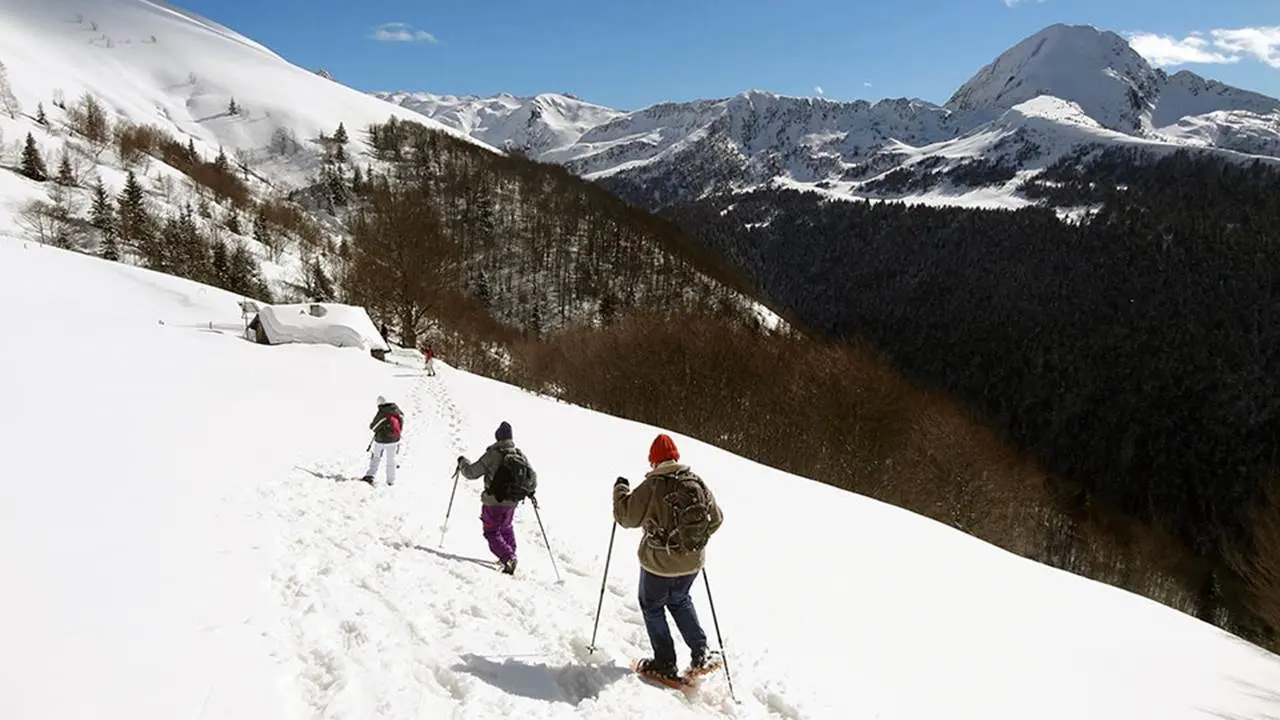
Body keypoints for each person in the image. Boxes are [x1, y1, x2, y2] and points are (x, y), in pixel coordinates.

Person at [614, 433, 724, 682]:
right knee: (680, 600)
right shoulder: (696, 482)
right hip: (692, 563)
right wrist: (691, 541)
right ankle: (701, 652)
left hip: (659, 564)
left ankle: (665, 662)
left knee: (651, 606)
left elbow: (626, 517)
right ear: (676, 456)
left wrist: (620, 491)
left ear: (654, 461)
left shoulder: (653, 485)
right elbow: (716, 519)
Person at [457, 421, 535, 574]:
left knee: (491, 531)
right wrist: (528, 491)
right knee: (506, 527)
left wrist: (462, 463)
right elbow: (533, 478)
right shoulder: (519, 454)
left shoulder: (493, 454)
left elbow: (471, 473)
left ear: (497, 437)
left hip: (493, 501)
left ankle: (508, 557)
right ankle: (510, 554)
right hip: (512, 501)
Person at [362, 395, 403, 486]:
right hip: (395, 440)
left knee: (376, 457)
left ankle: (370, 475)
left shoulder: (382, 412)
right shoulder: (397, 411)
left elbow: (373, 427)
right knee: (391, 460)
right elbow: (401, 424)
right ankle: (390, 481)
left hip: (381, 440)